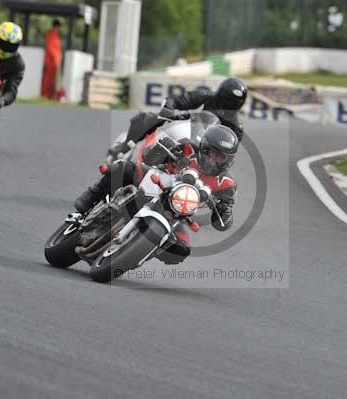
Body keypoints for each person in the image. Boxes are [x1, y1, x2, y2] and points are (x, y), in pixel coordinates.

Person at [75, 125, 239, 264]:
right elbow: (148, 158)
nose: (215, 160)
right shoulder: (188, 148)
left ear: (229, 160)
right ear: (204, 147)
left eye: (221, 157)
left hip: (176, 213)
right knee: (122, 168)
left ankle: (139, 251)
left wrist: (224, 212)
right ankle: (89, 198)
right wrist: (164, 149)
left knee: (181, 249)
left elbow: (225, 221)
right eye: (213, 153)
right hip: (153, 183)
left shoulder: (227, 183)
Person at [106, 77, 248, 161]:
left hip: (206, 150)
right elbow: (178, 100)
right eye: (226, 101)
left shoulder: (236, 128)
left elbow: (229, 153)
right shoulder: (205, 96)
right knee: (149, 118)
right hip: (187, 125)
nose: (227, 107)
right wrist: (168, 109)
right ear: (219, 94)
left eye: (232, 104)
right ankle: (125, 146)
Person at [41, 19, 62, 100]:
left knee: (53, 81)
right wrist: (55, 60)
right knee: (48, 81)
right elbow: (51, 48)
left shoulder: (55, 36)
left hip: (55, 62)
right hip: (51, 62)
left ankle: (50, 96)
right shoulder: (52, 35)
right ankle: (45, 95)